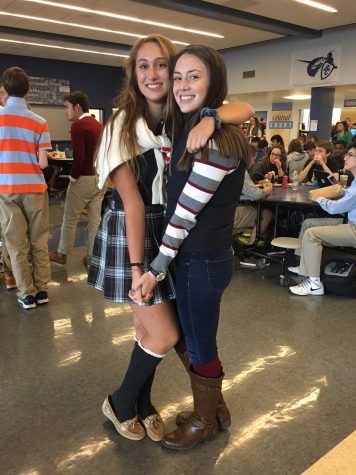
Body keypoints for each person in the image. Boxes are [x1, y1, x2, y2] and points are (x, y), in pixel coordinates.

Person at [88, 35, 254, 443]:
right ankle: (123, 401)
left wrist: (213, 118)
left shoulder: (180, 120)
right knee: (165, 333)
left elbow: (244, 108)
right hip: (134, 232)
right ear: (133, 74)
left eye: (162, 65)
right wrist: (138, 268)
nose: (154, 75)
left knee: (152, 331)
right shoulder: (122, 126)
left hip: (170, 234)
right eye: (142, 66)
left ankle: (142, 404)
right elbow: (132, 202)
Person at [135, 44, 251, 451]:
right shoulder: (193, 127)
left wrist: (156, 266)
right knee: (189, 335)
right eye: (178, 76)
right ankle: (215, 409)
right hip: (198, 259)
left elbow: (183, 214)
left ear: (213, 81)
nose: (182, 85)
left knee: (199, 342)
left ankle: (204, 420)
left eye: (194, 76)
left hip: (200, 260)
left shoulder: (217, 141)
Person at [0, 67, 51, 309]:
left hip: (6, 188)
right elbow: (43, 162)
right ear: (29, 90)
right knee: (39, 241)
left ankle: (26, 294)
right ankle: (42, 290)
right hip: (35, 188)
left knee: (15, 244)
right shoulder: (40, 122)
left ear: (5, 89)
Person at [49, 91, 106, 268]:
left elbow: (79, 157)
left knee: (70, 218)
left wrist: (72, 177)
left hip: (83, 179)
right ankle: (91, 257)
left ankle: (62, 254)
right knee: (94, 220)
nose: (65, 112)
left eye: (67, 107)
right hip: (99, 178)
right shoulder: (98, 125)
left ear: (77, 107)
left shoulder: (78, 126)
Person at [289, 146, 356, 296]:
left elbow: (335, 208)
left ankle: (314, 285)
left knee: (312, 234)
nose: (345, 157)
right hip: (349, 222)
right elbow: (347, 195)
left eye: (350, 155)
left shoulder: (352, 180)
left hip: (353, 228)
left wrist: (318, 197)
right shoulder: (355, 181)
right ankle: (303, 266)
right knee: (308, 223)